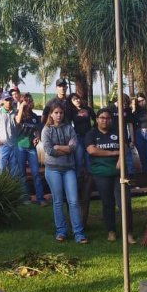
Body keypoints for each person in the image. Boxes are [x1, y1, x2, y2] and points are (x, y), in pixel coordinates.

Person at [86, 108, 136, 243]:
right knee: (107, 203)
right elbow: (92, 150)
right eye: (102, 118)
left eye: (107, 118)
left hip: (119, 173)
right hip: (101, 173)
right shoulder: (92, 133)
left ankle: (128, 232)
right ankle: (111, 230)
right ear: (97, 119)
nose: (105, 120)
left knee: (124, 202)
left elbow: (123, 147)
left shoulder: (117, 131)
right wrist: (113, 153)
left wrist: (120, 158)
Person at [42, 103, 86, 244]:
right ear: (51, 114)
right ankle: (61, 231)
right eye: (56, 112)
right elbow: (49, 150)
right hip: (52, 169)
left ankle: (78, 233)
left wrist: (59, 147)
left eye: (61, 112)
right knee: (58, 201)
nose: (59, 115)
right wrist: (67, 148)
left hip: (68, 169)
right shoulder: (46, 130)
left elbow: (74, 147)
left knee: (73, 201)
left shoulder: (69, 128)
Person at [15, 93, 45, 205]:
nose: (29, 102)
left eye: (30, 100)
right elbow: (18, 121)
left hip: (31, 148)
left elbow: (36, 130)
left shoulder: (34, 116)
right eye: (26, 100)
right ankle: (25, 197)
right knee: (22, 173)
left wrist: (36, 137)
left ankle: (40, 197)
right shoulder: (18, 113)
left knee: (35, 172)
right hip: (20, 146)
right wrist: (21, 106)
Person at [0, 95, 18, 176]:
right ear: (2, 101)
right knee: (1, 172)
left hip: (14, 146)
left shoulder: (16, 112)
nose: (8, 102)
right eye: (6, 100)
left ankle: (13, 185)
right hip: (3, 146)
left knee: (14, 173)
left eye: (10, 100)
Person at [68, 93, 95, 174]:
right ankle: (78, 178)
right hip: (78, 138)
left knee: (88, 160)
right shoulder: (72, 111)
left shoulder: (87, 109)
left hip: (88, 137)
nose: (77, 100)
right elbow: (68, 123)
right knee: (78, 160)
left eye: (78, 98)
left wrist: (93, 128)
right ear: (71, 102)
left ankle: (90, 179)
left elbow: (96, 118)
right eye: (74, 100)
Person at [131, 93, 147, 174]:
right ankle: (146, 176)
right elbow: (132, 122)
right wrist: (134, 107)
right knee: (142, 157)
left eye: (142, 100)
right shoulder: (136, 111)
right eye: (138, 102)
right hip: (139, 134)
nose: (141, 103)